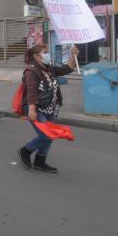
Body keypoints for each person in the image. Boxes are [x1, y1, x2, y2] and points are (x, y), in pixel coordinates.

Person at [18, 45, 78, 173]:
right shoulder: (31, 71)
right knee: (46, 135)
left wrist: (73, 56)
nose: (48, 54)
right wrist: (32, 110)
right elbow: (31, 92)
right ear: (36, 56)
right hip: (36, 108)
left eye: (47, 52)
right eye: (45, 52)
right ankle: (26, 150)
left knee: (50, 136)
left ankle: (40, 161)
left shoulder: (49, 68)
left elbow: (67, 69)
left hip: (50, 108)